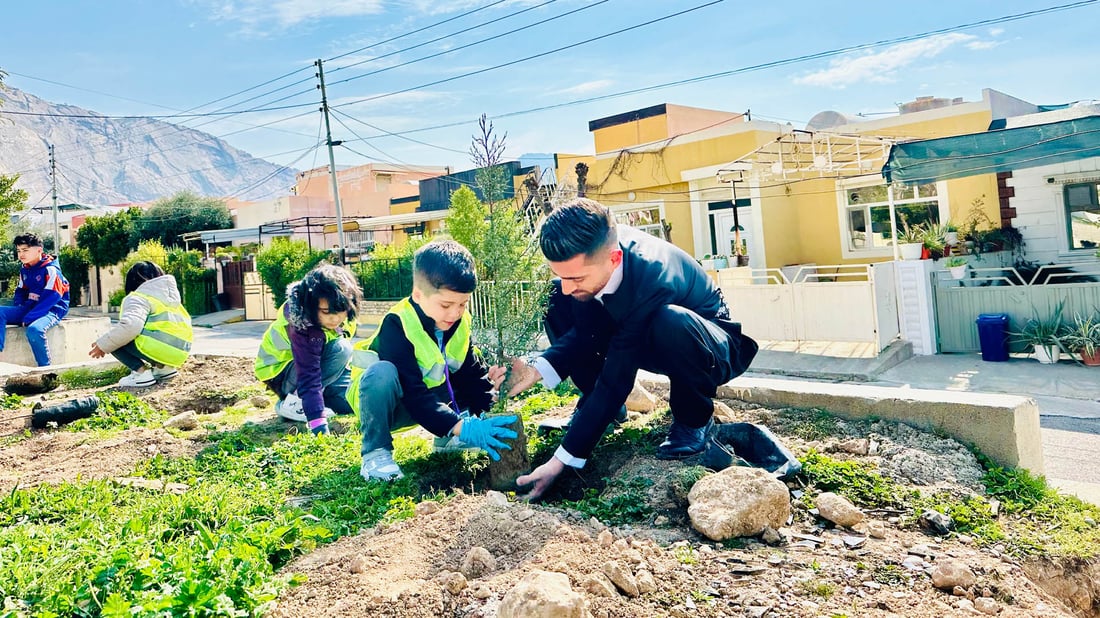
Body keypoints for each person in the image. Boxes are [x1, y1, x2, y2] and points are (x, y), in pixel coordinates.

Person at [506, 198, 758, 499]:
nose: (568, 285)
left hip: (708, 343)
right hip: (641, 329)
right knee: (557, 299)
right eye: (562, 275)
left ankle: (694, 421)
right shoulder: (596, 254)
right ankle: (604, 409)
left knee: (669, 321)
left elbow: (617, 377)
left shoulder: (651, 276)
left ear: (613, 260)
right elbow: (585, 333)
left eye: (576, 277)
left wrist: (560, 462)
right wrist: (536, 369)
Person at [348, 239, 514, 482]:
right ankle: (376, 453)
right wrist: (461, 426)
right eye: (446, 304)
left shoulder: (458, 322)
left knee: (456, 371)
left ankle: (447, 439)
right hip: (386, 405)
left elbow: (469, 373)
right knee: (382, 372)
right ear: (418, 294)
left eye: (463, 303)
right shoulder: (397, 324)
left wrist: (489, 409)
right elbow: (412, 391)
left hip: (426, 403)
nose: (455, 312)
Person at [254, 263, 360, 435]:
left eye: (340, 311)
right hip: (282, 374)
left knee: (353, 399)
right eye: (326, 312)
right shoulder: (302, 327)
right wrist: (319, 426)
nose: (334, 318)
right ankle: (294, 403)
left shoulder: (345, 315)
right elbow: (309, 374)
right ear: (311, 305)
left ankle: (312, 402)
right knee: (341, 349)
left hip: (319, 370)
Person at [89, 261, 193, 387]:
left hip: (160, 348)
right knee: (126, 334)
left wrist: (103, 344)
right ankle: (164, 368)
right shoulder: (172, 299)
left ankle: (141, 373)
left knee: (115, 338)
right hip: (180, 353)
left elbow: (130, 327)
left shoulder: (138, 298)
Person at [0, 234, 70, 366]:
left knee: (34, 330)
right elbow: (21, 290)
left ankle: (46, 369)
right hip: (30, 307)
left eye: (25, 250)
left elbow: (52, 297)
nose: (21, 254)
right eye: (19, 251)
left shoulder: (51, 269)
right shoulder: (25, 269)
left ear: (39, 250)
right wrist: (20, 306)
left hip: (51, 310)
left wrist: (31, 317)